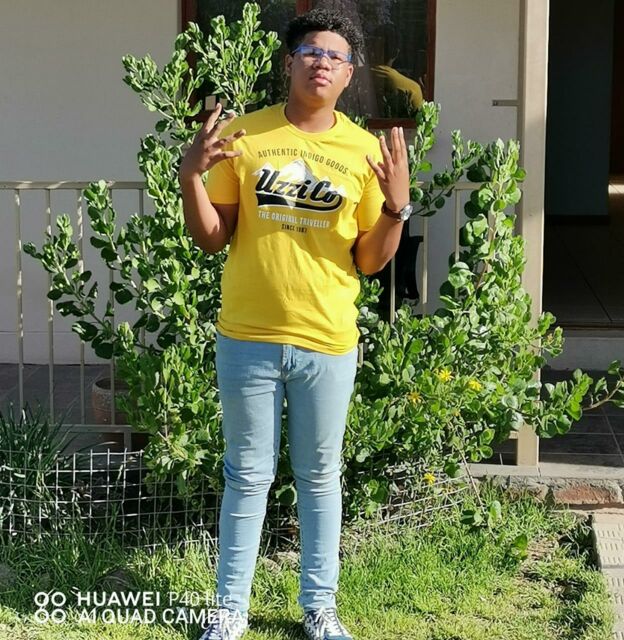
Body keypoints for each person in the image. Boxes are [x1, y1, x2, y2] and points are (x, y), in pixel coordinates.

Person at [178, 8, 411, 640]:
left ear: (350, 73)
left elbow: (369, 260)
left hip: (327, 340)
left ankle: (320, 608)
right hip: (247, 338)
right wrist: (190, 176)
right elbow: (212, 237)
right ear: (289, 63)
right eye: (310, 52)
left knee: (319, 479)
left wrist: (396, 208)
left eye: (335, 56)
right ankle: (229, 609)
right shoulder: (244, 136)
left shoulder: (364, 151)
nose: (321, 63)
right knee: (247, 477)